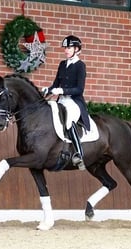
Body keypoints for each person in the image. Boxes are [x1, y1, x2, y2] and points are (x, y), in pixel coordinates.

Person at [42, 35, 90, 170]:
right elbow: (56, 83)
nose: (66, 50)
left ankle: (78, 153)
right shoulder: (62, 64)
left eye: (68, 48)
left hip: (74, 102)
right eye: (65, 48)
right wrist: (48, 89)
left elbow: (79, 89)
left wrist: (62, 90)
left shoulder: (80, 66)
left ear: (76, 49)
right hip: (61, 100)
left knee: (68, 120)